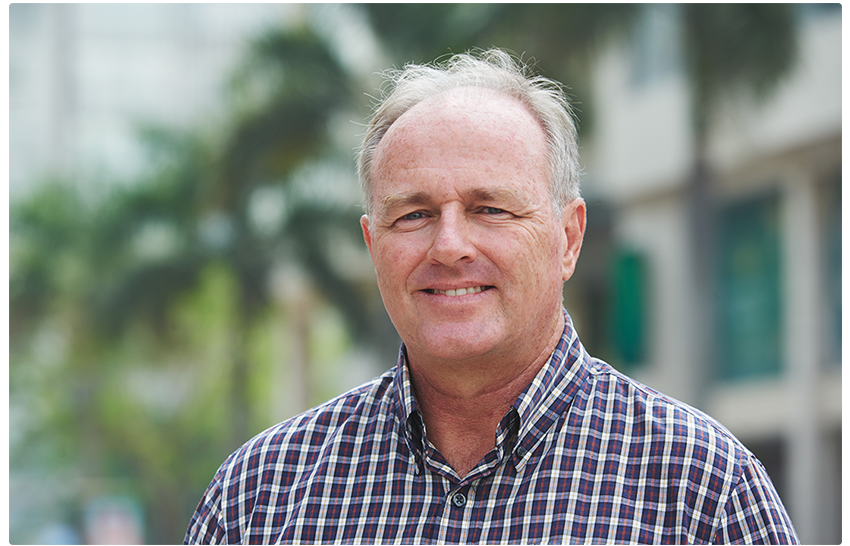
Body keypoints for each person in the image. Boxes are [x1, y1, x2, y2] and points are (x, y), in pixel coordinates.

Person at [184, 48, 798, 544]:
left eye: (491, 208)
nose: (449, 245)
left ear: (568, 237)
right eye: (414, 215)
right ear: (373, 246)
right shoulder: (259, 498)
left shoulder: (703, 491)